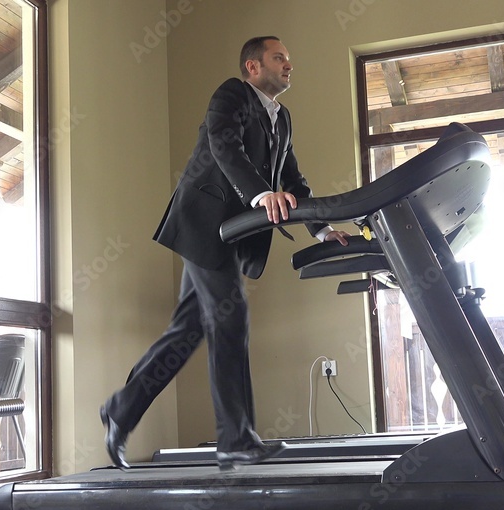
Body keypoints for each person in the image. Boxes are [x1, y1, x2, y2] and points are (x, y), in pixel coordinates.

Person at [101, 36, 350, 470]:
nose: (289, 65)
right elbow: (224, 147)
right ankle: (236, 439)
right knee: (230, 317)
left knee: (188, 331)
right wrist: (259, 196)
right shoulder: (231, 94)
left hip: (231, 236)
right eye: (279, 58)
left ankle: (121, 409)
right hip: (203, 223)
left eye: (289, 59)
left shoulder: (282, 118)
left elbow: (292, 178)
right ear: (253, 67)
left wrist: (322, 228)